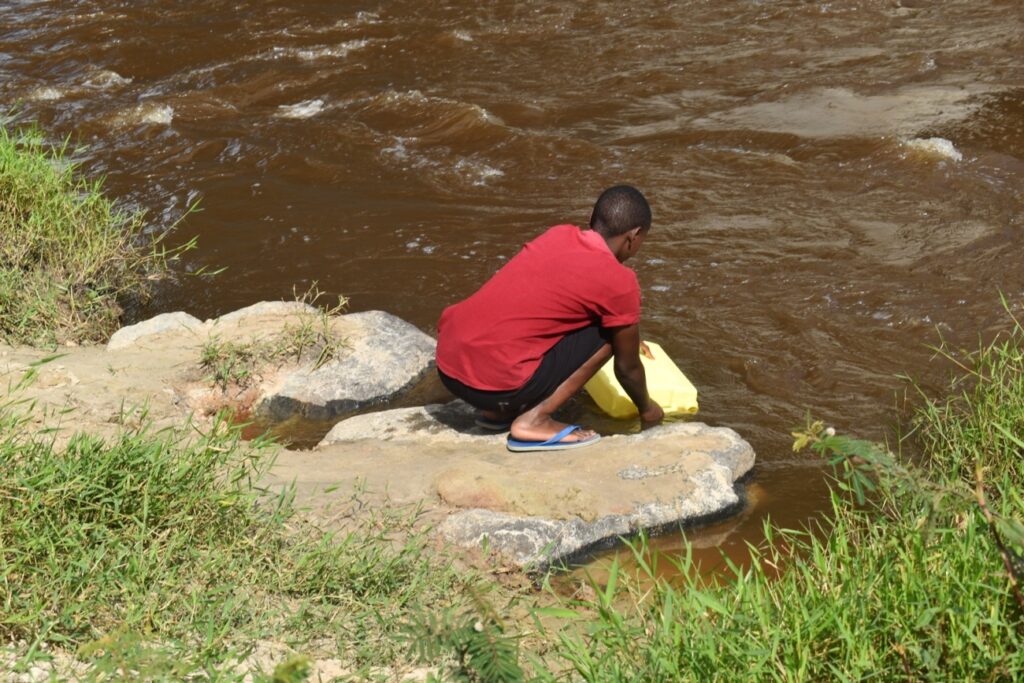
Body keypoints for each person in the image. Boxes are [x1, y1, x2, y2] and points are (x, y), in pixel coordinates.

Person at [435, 185, 664, 452]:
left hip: (449, 368)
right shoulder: (621, 281)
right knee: (610, 334)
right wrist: (648, 410)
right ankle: (535, 420)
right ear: (634, 236)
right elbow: (627, 369)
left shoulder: (558, 235)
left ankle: (497, 414)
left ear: (592, 216)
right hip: (495, 388)